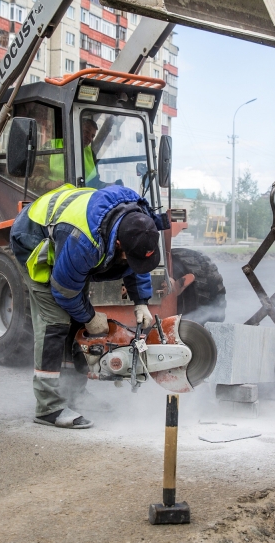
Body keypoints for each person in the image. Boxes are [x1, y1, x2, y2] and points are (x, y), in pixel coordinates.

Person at [9, 183, 163, 429]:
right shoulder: (85, 241)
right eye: (127, 255)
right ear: (120, 243)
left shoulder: (140, 221)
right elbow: (64, 290)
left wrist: (141, 302)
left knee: (75, 318)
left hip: (67, 239)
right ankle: (48, 407)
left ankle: (74, 392)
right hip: (33, 237)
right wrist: (90, 317)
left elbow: (137, 264)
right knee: (56, 321)